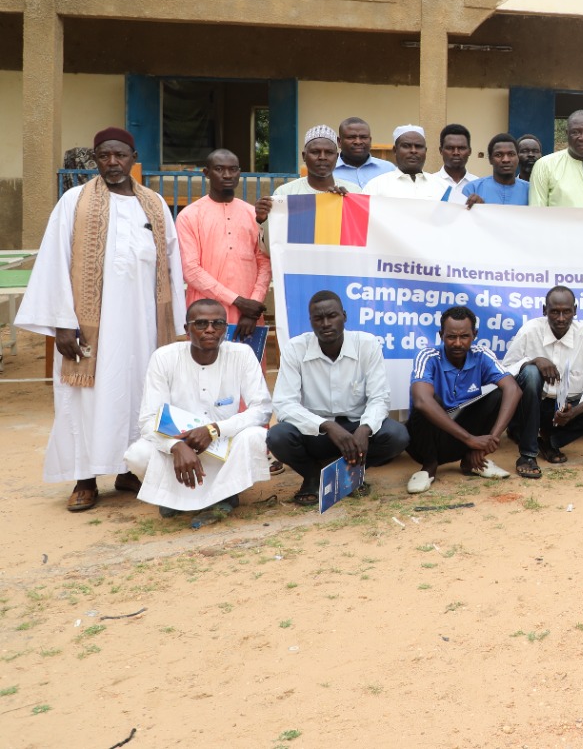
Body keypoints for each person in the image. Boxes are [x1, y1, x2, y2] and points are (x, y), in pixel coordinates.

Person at [17, 126, 184, 512]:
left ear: (133, 157)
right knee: (87, 401)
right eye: (104, 156)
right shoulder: (75, 202)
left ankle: (129, 469)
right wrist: (61, 323)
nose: (113, 162)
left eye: (120, 155)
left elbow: (173, 265)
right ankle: (85, 479)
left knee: (142, 395)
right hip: (91, 330)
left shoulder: (155, 206)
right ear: (96, 160)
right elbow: (54, 263)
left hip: (144, 328)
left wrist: (175, 326)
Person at [121, 299, 272, 517]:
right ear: (187, 330)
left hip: (222, 446)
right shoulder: (164, 358)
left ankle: (225, 493)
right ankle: (172, 496)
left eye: (218, 323)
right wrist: (175, 445)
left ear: (225, 329)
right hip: (180, 452)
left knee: (257, 436)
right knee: (137, 454)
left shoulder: (242, 354)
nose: (210, 329)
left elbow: (262, 409)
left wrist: (215, 430)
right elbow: (148, 419)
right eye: (201, 324)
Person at [267, 290, 409, 505]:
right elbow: (284, 404)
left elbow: (379, 398)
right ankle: (313, 477)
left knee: (397, 435)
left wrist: (365, 428)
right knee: (277, 437)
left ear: (344, 316)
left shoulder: (367, 344)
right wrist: (326, 426)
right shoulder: (296, 348)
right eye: (318, 318)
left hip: (355, 432)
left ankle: (348, 473)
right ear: (311, 322)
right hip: (315, 432)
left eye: (332, 316)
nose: (326, 323)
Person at [404, 306, 524, 493]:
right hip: (425, 441)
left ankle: (472, 461)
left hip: (461, 439)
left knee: (499, 395)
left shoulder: (481, 355)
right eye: (451, 337)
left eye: (464, 336)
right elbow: (420, 400)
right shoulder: (428, 356)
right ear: (441, 334)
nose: (458, 343)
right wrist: (470, 440)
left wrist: (488, 442)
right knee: (426, 401)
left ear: (474, 334)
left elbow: (513, 389)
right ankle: (429, 467)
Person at [502, 286, 583, 477]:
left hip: (565, 409)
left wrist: (574, 412)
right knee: (530, 372)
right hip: (532, 406)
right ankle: (528, 455)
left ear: (575, 311)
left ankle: (548, 442)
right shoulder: (530, 331)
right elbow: (506, 370)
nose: (561, 318)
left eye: (566, 312)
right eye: (555, 312)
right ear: (545, 310)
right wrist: (535, 361)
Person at [175, 148, 272, 360]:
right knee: (205, 374)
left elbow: (264, 262)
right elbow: (191, 270)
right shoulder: (190, 216)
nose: (227, 175)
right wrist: (237, 301)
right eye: (219, 169)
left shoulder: (252, 214)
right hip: (206, 313)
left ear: (239, 173)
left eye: (233, 169)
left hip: (249, 315)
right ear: (206, 172)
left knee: (249, 377)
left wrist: (251, 307)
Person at [255, 125, 349, 254]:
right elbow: (272, 249)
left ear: (337, 157)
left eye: (329, 152)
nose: (322, 157)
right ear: (304, 156)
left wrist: (348, 204)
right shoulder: (285, 194)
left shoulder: (353, 192)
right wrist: (262, 218)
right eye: (315, 152)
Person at [367, 126, 447, 200]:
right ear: (395, 150)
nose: (413, 151)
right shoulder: (376, 186)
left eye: (418, 146)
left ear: (425, 151)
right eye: (406, 146)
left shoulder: (443, 187)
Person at [463, 133, 531, 206]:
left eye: (511, 154)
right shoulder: (473, 189)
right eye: (498, 155)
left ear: (518, 158)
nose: (506, 160)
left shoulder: (530, 191)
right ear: (490, 159)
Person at [332, 116, 396, 190]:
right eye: (351, 137)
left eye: (363, 137)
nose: (358, 142)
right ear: (339, 142)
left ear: (370, 140)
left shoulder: (388, 169)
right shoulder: (328, 173)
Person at [431, 123, 477, 203]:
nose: (456, 152)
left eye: (461, 148)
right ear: (441, 151)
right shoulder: (430, 183)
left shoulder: (478, 185)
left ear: (469, 151)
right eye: (450, 148)